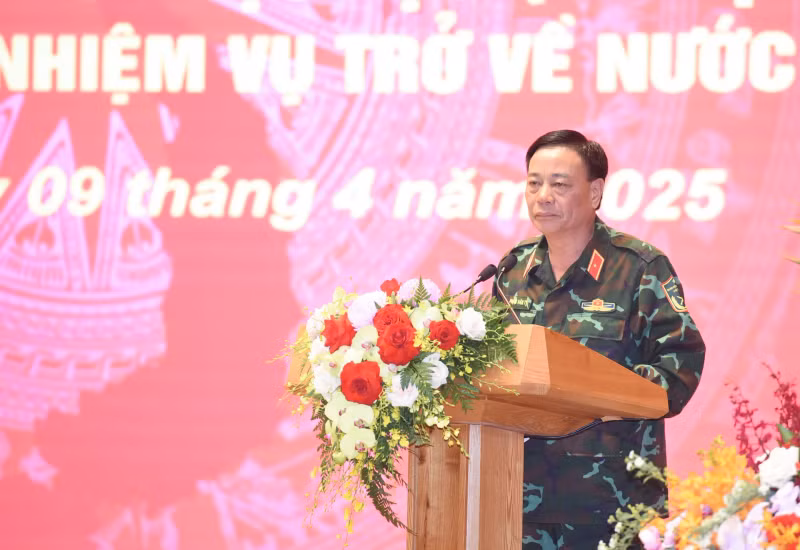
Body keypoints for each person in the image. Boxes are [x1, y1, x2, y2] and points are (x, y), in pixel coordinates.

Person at [493, 130, 705, 549]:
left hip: (611, 503)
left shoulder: (639, 267)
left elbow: (680, 368)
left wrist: (601, 389)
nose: (543, 195)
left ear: (594, 192)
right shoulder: (511, 271)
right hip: (518, 501)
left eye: (559, 184)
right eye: (534, 183)